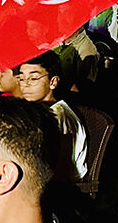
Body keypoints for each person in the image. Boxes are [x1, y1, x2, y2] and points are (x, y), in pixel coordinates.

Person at [14, 52, 87, 180]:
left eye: (33, 78)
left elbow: (58, 168)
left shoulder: (58, 116)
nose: (25, 84)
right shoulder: (39, 112)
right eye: (21, 78)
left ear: (53, 82)